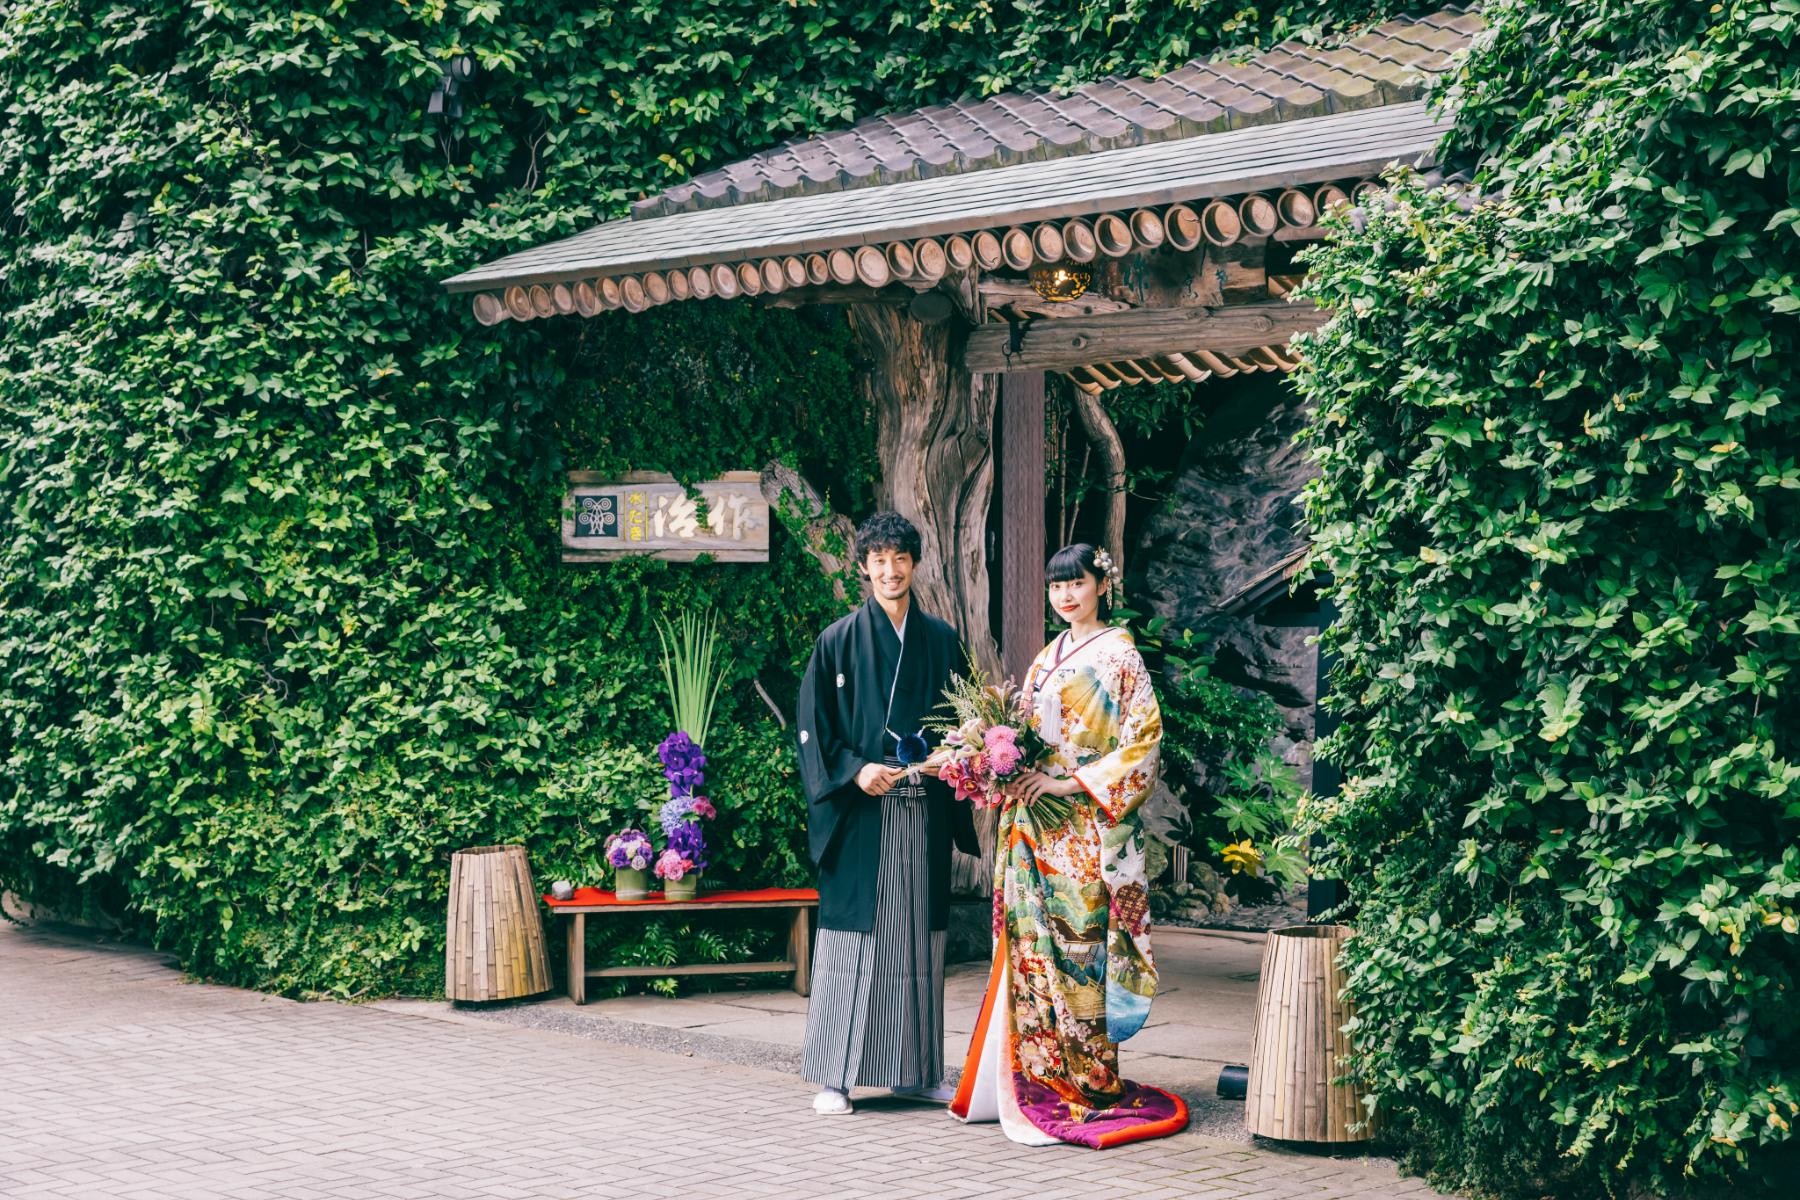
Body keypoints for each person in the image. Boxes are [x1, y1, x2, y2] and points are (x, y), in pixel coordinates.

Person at [949, 543, 1188, 1147]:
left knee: (1083, 944)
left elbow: (1143, 746)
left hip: (1086, 827)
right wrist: (998, 763)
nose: (1066, 596)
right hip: (1036, 823)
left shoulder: (1120, 656)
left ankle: (1091, 1075)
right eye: (1057, 587)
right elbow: (1027, 734)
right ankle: (1040, 1069)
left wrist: (1066, 780)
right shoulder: (1045, 657)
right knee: (1034, 942)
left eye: (1076, 584)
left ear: (1100, 586)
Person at [794, 510, 979, 1115]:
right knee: (852, 938)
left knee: (918, 941)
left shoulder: (943, 640)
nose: (890, 570)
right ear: (864, 567)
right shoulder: (838, 640)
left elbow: (963, 721)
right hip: (861, 813)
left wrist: (955, 755)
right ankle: (834, 1077)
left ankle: (916, 1072)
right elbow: (813, 730)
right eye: (879, 560)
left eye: (900, 558)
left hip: (921, 806)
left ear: (915, 564)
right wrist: (855, 770)